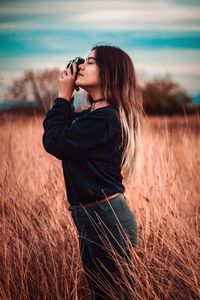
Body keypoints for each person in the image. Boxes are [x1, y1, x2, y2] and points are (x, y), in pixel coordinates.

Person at [42, 44, 144, 299]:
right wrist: (66, 99)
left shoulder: (106, 118)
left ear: (110, 73)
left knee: (113, 294)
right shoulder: (92, 116)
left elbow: (55, 142)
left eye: (90, 61)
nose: (82, 66)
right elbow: (60, 131)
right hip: (93, 215)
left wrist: (63, 97)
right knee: (103, 293)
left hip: (106, 216)